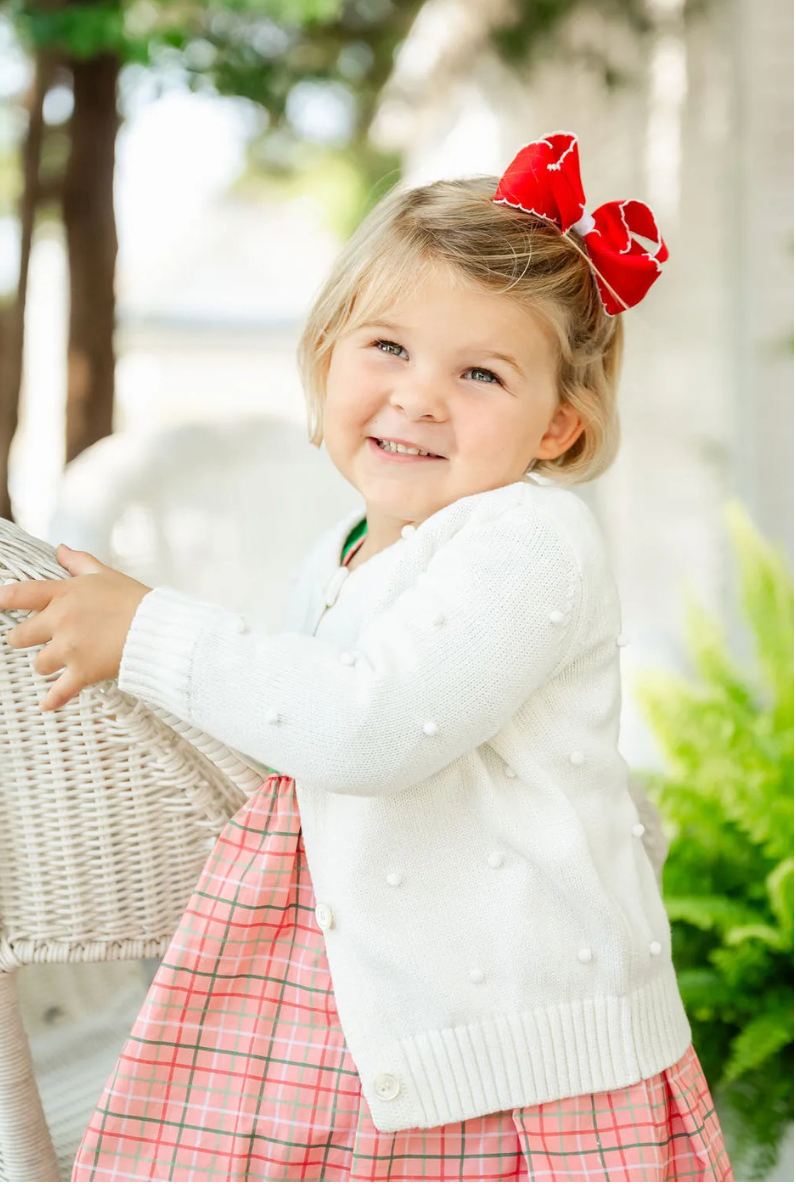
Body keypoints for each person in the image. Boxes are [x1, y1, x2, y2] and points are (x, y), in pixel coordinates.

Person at [1, 133, 732, 1181]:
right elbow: (282, 705)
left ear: (558, 427)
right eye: (387, 347)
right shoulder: (343, 551)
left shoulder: (527, 538)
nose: (420, 395)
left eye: (479, 371)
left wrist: (150, 630)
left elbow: (368, 723)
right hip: (362, 1006)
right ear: (328, 352)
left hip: (513, 1056)